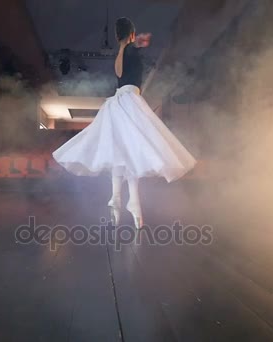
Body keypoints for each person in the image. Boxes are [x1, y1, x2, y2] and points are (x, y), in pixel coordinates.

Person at [52, 17, 197, 229]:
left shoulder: (122, 53)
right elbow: (127, 72)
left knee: (120, 151)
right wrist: (134, 44)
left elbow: (119, 73)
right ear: (130, 34)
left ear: (117, 36)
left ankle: (119, 198)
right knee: (129, 151)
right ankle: (130, 202)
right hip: (129, 101)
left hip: (120, 100)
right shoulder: (131, 51)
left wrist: (126, 45)